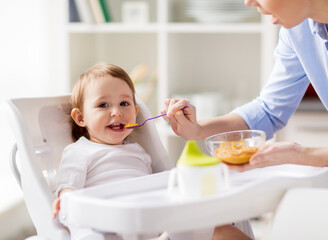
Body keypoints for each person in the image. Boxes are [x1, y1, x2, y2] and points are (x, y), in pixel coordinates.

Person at [162, 0, 328, 173]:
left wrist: (306, 155)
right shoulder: (297, 31)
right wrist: (197, 130)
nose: (248, 2)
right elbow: (267, 112)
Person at [52, 63, 155, 240]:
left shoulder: (139, 151)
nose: (116, 112)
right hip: (99, 224)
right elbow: (68, 189)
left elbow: (152, 189)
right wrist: (66, 201)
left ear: (135, 111)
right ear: (81, 118)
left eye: (124, 103)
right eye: (103, 105)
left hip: (140, 222)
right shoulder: (79, 151)